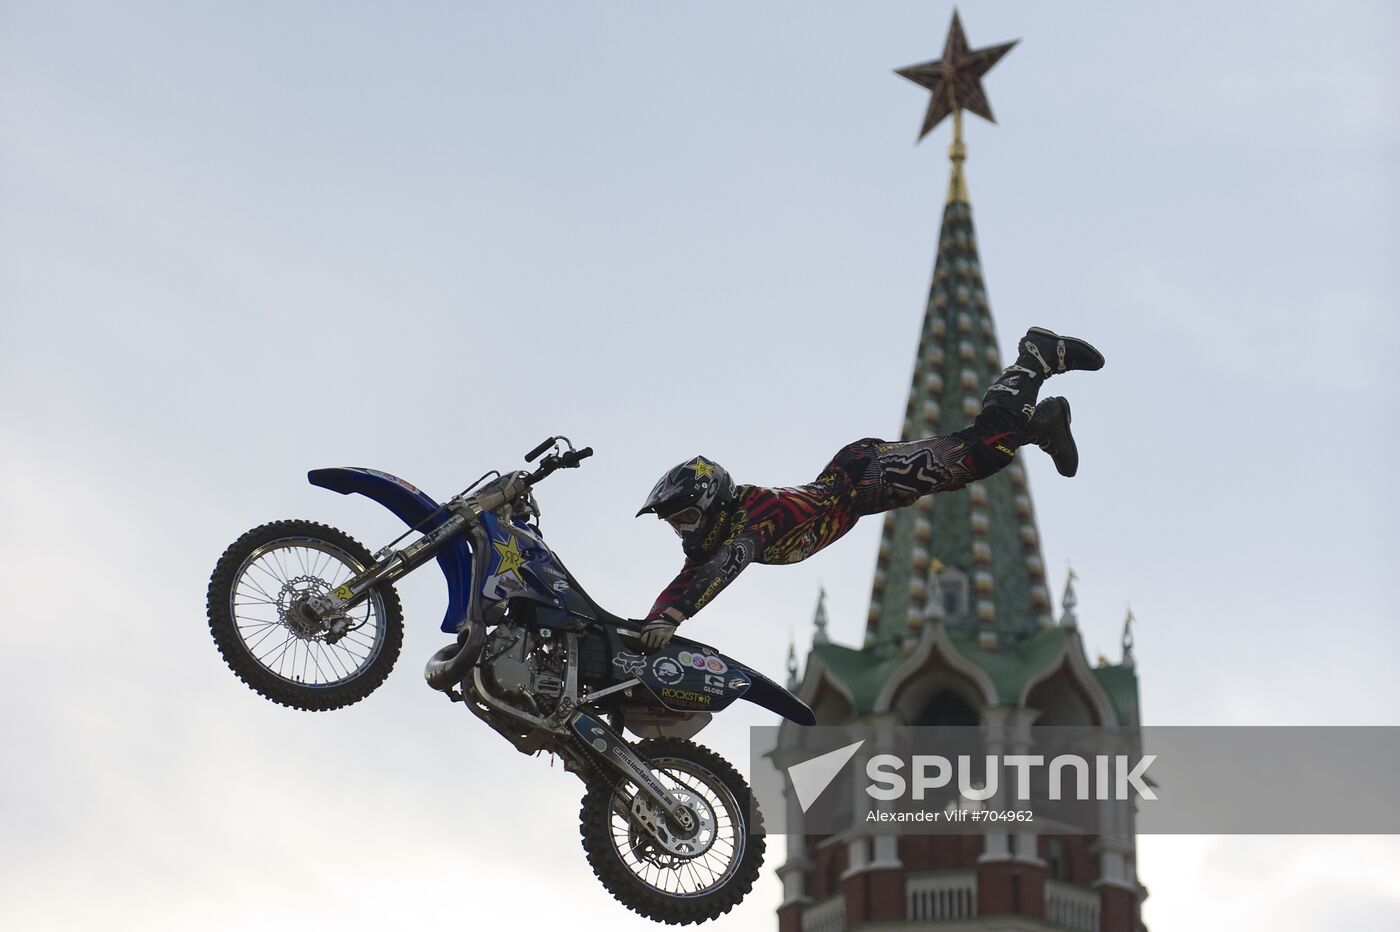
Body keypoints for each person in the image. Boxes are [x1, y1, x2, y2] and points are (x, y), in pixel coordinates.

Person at [632, 326, 1104, 650]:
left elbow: (726, 562)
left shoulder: (754, 516)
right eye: (677, 523)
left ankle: (1035, 359)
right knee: (977, 455)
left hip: (864, 477)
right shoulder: (725, 532)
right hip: (861, 487)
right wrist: (654, 618)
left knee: (975, 454)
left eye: (688, 517)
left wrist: (675, 617)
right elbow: (690, 573)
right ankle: (1038, 424)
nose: (685, 530)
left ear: (711, 500)